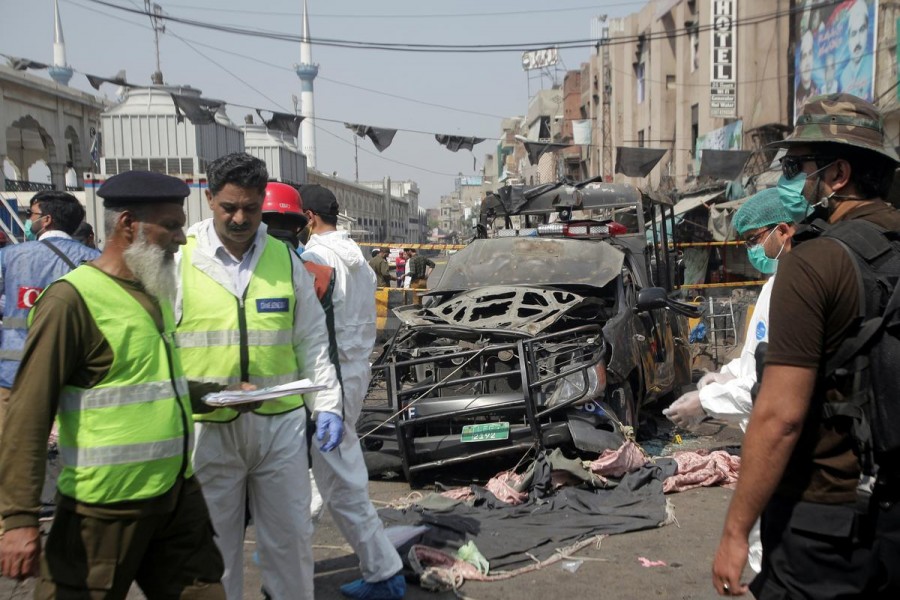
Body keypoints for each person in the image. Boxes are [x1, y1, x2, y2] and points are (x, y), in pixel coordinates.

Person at [0, 171, 226, 598]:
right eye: (172, 226)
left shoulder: (154, 291)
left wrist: (217, 395)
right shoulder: (72, 300)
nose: (181, 239)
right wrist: (19, 520)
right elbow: (27, 415)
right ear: (128, 225)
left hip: (175, 498)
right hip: (101, 512)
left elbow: (148, 384)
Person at [712, 94, 900, 598]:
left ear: (838, 175)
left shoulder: (812, 263)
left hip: (825, 523)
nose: (789, 180)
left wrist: (735, 531)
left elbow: (781, 416)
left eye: (797, 166)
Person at [176, 153, 344, 600]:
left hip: (279, 427)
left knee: (289, 544)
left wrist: (327, 405)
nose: (239, 218)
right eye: (229, 207)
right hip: (208, 430)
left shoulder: (283, 260)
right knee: (214, 550)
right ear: (208, 198)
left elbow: (311, 341)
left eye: (250, 208)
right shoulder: (181, 260)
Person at [664, 187, 799, 573]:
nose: (751, 251)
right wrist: (720, 377)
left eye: (754, 240)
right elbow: (753, 359)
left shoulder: (796, 288)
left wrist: (705, 403)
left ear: (783, 232)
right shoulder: (774, 286)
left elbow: (771, 383)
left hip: (786, 449)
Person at [299, 184, 406, 600]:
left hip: (330, 377)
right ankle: (290, 547)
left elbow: (307, 325)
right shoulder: (356, 258)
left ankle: (382, 570)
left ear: (308, 218)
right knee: (322, 470)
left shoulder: (316, 259)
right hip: (354, 370)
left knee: (337, 473)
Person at [0, 191, 99, 436]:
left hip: (15, 375)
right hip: (74, 378)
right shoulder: (95, 260)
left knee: (14, 454)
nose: (27, 220)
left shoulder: (10, 256)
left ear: (46, 220)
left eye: (31, 214)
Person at [839, 1, 873, 99]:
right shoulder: (843, 76)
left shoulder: (872, 63)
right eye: (853, 34)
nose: (858, 41)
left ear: (867, 31)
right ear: (848, 39)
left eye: (862, 30)